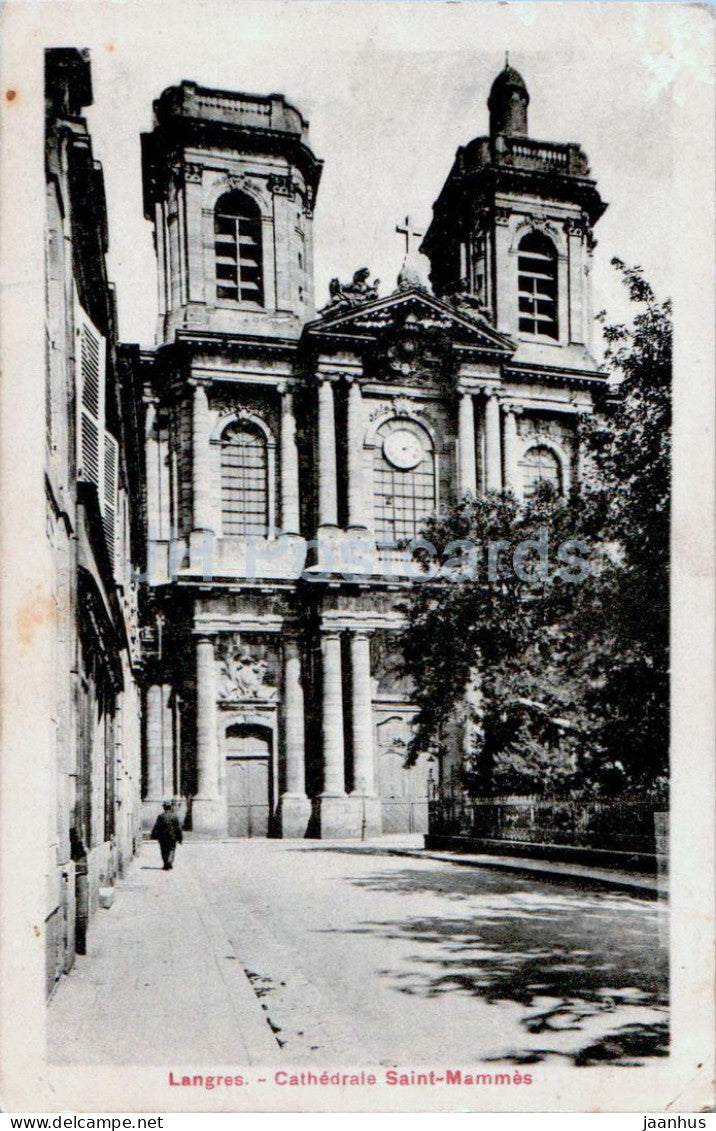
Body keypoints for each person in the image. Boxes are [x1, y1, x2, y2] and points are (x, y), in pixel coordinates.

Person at [150, 801, 183, 870]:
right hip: (172, 837)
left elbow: (157, 827)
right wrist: (180, 838)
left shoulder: (161, 816)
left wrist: (153, 835)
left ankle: (166, 863)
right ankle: (169, 862)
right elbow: (178, 828)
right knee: (172, 850)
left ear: (164, 808)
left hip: (163, 837)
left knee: (164, 850)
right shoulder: (174, 816)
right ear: (170, 807)